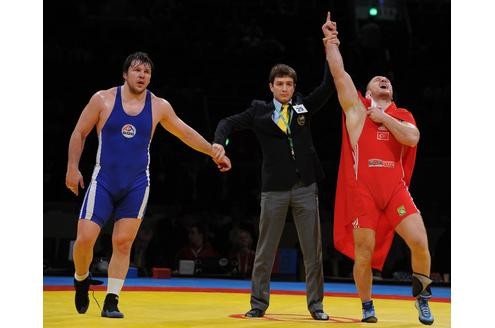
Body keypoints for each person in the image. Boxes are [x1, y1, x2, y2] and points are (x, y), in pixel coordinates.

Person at [65, 51, 231, 319]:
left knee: (123, 242)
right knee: (84, 240)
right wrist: (72, 168)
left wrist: (212, 151)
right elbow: (79, 132)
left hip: (136, 184)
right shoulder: (103, 99)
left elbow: (183, 131)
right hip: (104, 180)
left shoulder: (159, 106)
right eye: (137, 70)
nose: (142, 75)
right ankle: (81, 278)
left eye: (147, 72)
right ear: (125, 74)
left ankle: (112, 299)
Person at [212, 17, 340, 321]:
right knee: (265, 250)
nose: (285, 88)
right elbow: (227, 123)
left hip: (305, 186)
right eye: (279, 84)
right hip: (273, 189)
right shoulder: (259, 111)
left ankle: (317, 307)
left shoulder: (303, 107)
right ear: (271, 87)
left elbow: (330, 84)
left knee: (313, 252)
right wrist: (219, 143)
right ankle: (258, 304)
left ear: (295, 87)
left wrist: (330, 44)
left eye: (289, 84)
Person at [322, 12, 434, 325]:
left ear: (392, 94)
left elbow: (412, 139)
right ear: (368, 92)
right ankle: (367, 305)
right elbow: (339, 74)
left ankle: (422, 297)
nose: (384, 80)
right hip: (365, 194)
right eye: (377, 80)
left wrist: (384, 118)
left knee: (420, 243)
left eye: (388, 81)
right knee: (364, 254)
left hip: (395, 190)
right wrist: (331, 41)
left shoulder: (402, 115)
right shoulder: (356, 111)